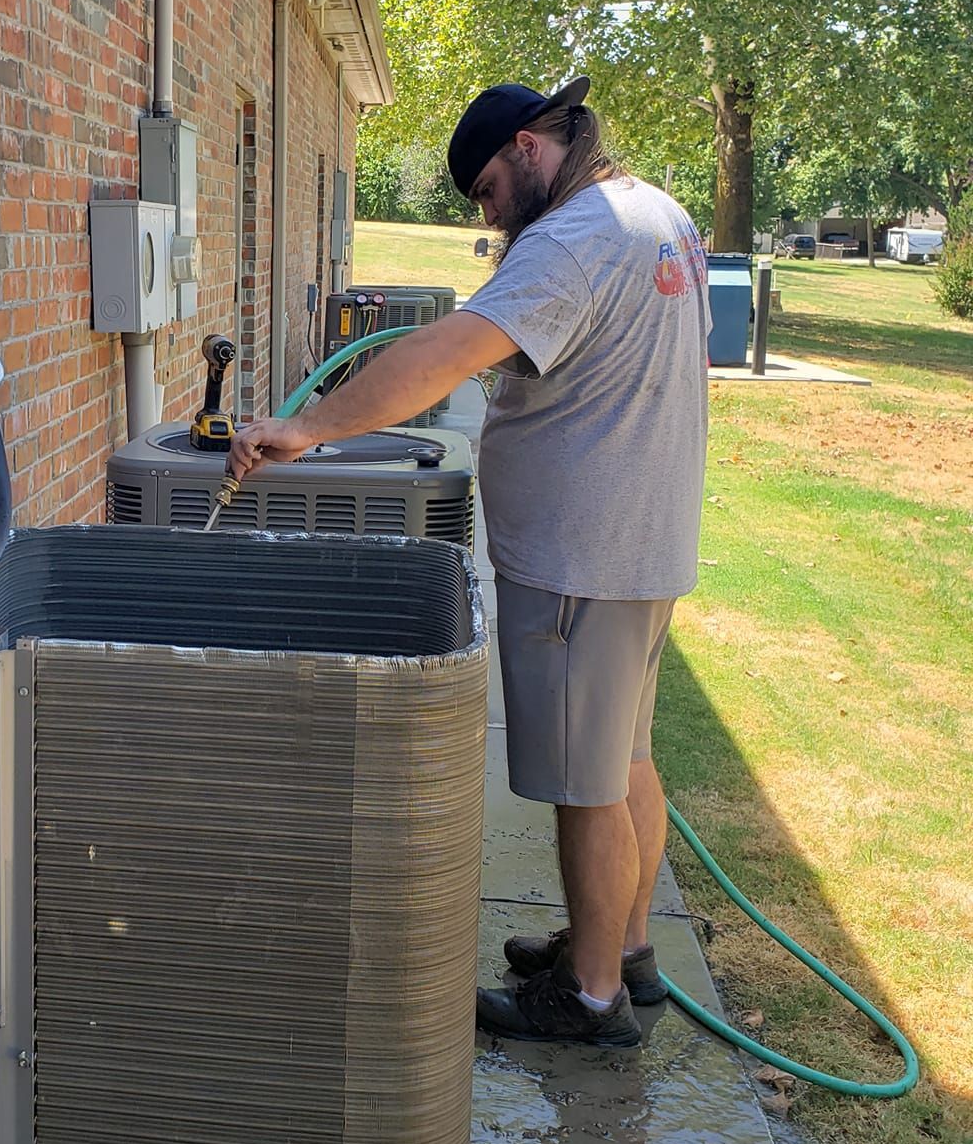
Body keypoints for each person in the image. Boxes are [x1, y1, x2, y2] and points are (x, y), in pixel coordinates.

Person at [229, 75, 710, 1048]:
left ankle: (590, 996)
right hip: (643, 545)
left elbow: (446, 352)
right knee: (624, 757)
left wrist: (309, 428)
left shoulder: (572, 239)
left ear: (531, 147)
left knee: (588, 784)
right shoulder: (657, 212)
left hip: (582, 558)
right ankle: (619, 945)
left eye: (487, 189)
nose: (488, 215)